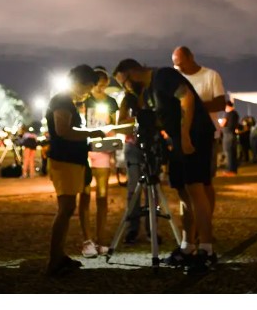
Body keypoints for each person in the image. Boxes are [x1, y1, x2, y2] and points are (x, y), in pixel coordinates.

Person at [114, 59, 217, 274]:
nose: (126, 87)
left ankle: (206, 250)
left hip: (195, 134)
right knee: (183, 191)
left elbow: (186, 98)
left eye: (124, 82)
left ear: (131, 72)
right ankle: (188, 246)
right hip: (177, 140)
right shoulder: (149, 91)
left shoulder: (163, 76)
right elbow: (163, 117)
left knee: (196, 189)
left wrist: (186, 135)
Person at [44, 65, 110, 277]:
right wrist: (92, 133)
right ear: (78, 83)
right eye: (88, 87)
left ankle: (58, 256)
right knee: (65, 209)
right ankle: (55, 259)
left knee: (67, 208)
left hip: (70, 160)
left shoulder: (65, 101)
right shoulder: (62, 101)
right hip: (65, 161)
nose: (88, 92)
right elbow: (63, 131)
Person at [172, 46, 225, 214]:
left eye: (181, 64)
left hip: (207, 134)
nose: (179, 68)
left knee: (205, 181)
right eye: (175, 65)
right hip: (184, 135)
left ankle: (206, 224)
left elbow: (220, 103)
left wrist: (193, 106)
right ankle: (192, 227)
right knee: (186, 183)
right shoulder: (177, 79)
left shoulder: (211, 76)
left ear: (191, 57)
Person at [78, 67, 119, 257]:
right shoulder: (83, 100)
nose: (101, 89)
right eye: (98, 85)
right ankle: (87, 240)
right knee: (84, 195)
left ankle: (101, 239)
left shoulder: (111, 102)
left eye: (104, 85)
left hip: (102, 148)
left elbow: (114, 125)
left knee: (102, 196)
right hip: (85, 149)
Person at [220, 100, 240, 175]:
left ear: (227, 106)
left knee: (229, 154)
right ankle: (234, 170)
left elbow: (222, 124)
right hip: (233, 135)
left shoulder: (228, 114)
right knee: (233, 153)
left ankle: (230, 171)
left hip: (228, 135)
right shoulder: (235, 113)